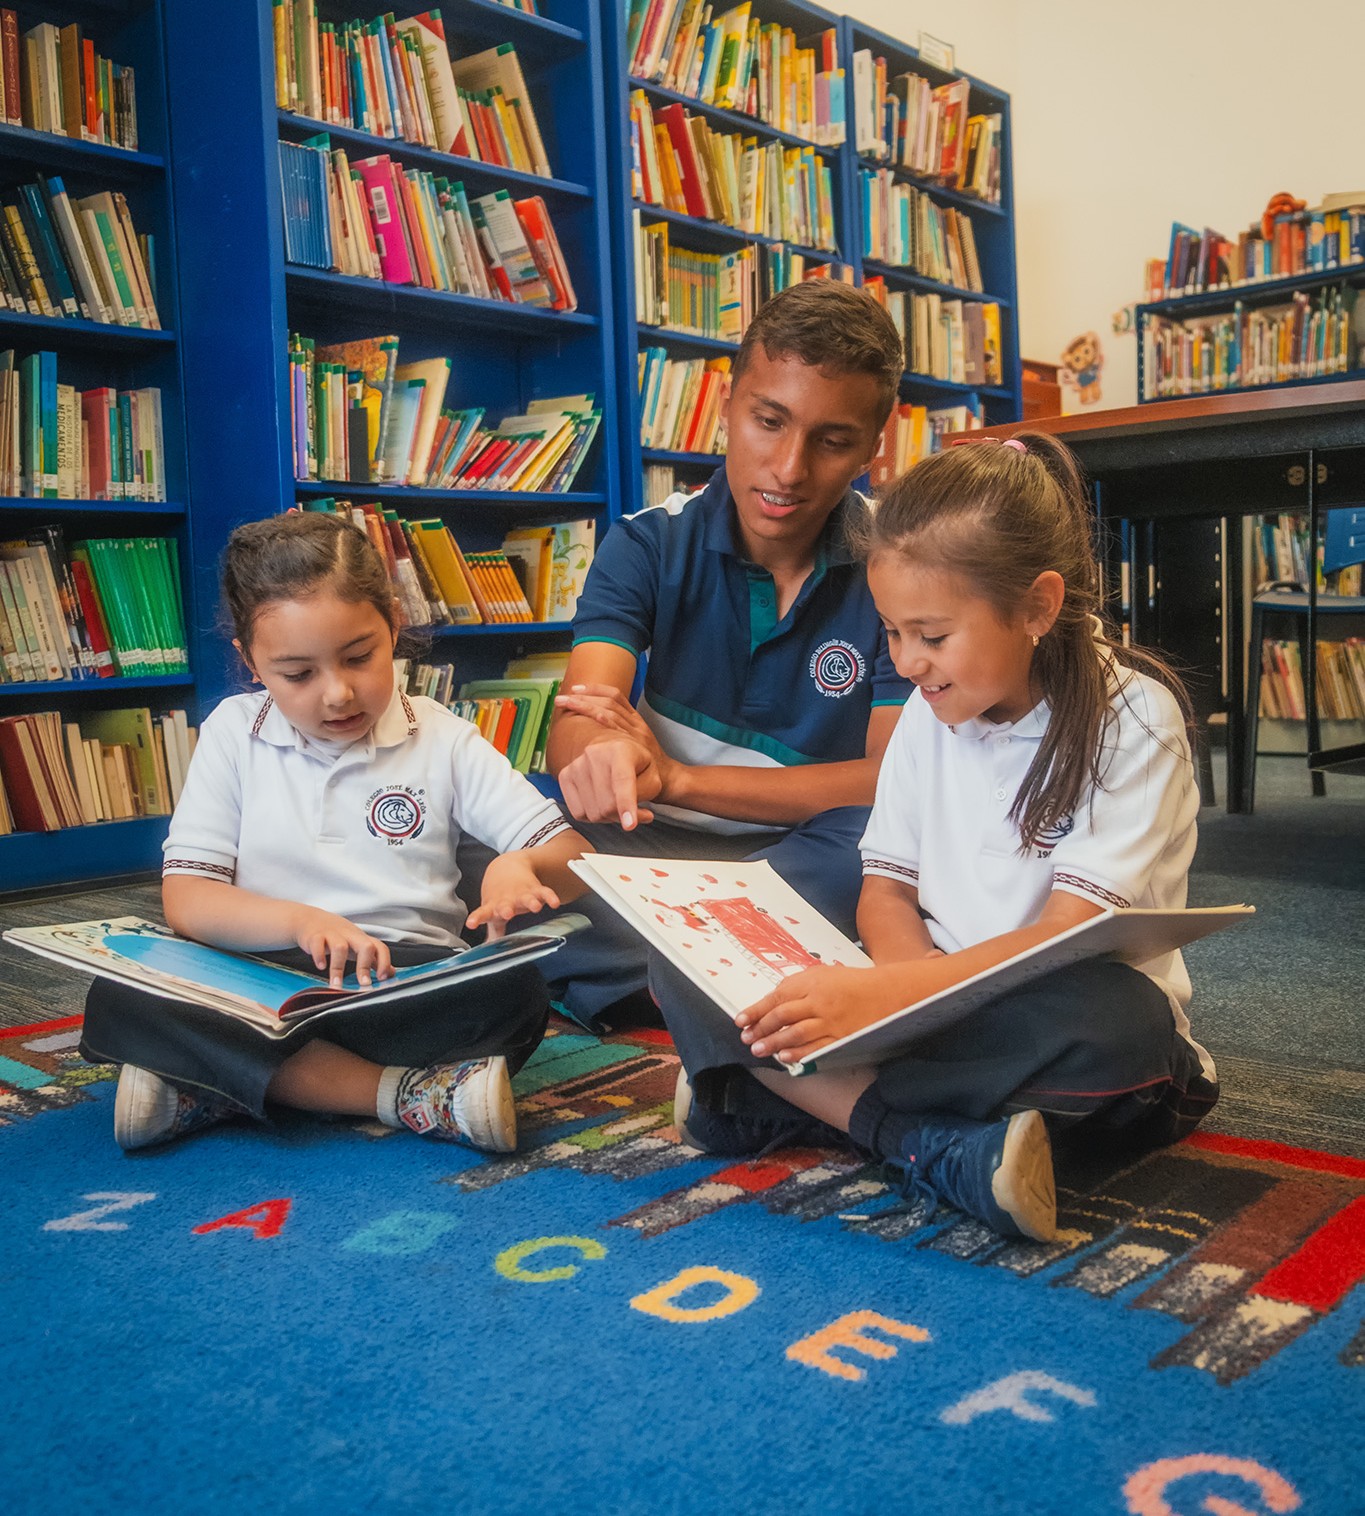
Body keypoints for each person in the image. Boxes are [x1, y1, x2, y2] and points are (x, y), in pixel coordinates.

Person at [662, 432, 1220, 1242]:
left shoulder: (1133, 717)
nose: (908, 663)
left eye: (930, 634)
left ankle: (778, 1095)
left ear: (1036, 605)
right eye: (889, 633)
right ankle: (929, 1142)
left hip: (1044, 1001)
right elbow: (885, 890)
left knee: (1121, 1032)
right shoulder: (929, 715)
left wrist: (895, 1001)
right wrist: (898, 987)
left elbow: (1068, 937)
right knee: (686, 941)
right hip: (921, 994)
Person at [80, 512, 592, 1154]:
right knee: (123, 988)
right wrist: (299, 923)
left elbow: (574, 857)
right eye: (298, 674)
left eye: (360, 657)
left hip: (401, 983)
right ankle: (411, 1097)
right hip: (265, 975)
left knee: (515, 993)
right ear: (251, 662)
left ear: (394, 628)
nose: (338, 693)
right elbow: (188, 901)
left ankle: (209, 1085)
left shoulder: (442, 736)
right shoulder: (232, 734)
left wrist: (522, 868)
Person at [541, 280, 912, 1031]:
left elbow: (883, 779)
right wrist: (601, 756)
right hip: (650, 834)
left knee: (882, 856)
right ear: (726, 406)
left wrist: (680, 777)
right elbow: (579, 720)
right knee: (494, 849)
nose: (787, 468)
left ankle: (658, 979)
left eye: (831, 441)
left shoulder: (897, 568)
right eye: (767, 421)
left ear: (873, 449)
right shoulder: (645, 543)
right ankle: (748, 976)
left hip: (803, 849)